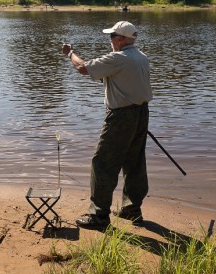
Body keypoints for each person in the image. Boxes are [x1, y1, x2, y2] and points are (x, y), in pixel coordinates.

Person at [61, 21, 153, 229]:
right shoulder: (141, 57)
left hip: (121, 117)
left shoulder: (119, 58)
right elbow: (123, 81)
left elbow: (82, 68)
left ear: (120, 39)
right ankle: (132, 209)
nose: (109, 40)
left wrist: (70, 53)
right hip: (141, 114)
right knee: (134, 161)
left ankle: (99, 216)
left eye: (111, 36)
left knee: (102, 162)